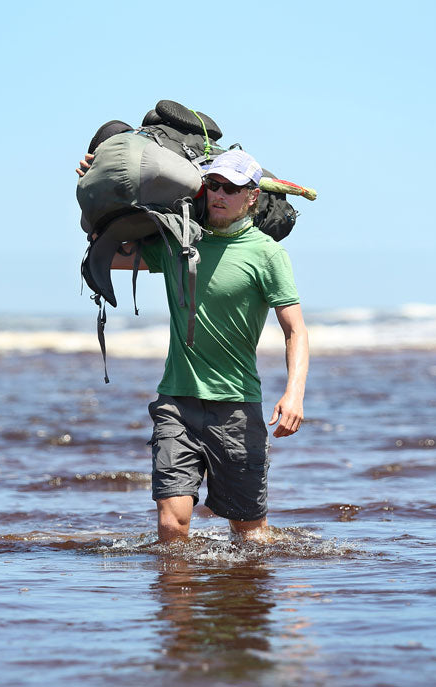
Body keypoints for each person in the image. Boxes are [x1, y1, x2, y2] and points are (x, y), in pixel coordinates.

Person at [77, 149, 309, 543]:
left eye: (231, 188)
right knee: (172, 526)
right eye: (213, 185)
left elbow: (295, 331)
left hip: (237, 407)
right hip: (176, 405)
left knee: (251, 537)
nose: (219, 194)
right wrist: (97, 182)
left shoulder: (266, 254)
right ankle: (177, 602)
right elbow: (109, 251)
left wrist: (294, 395)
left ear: (252, 196)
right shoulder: (178, 242)